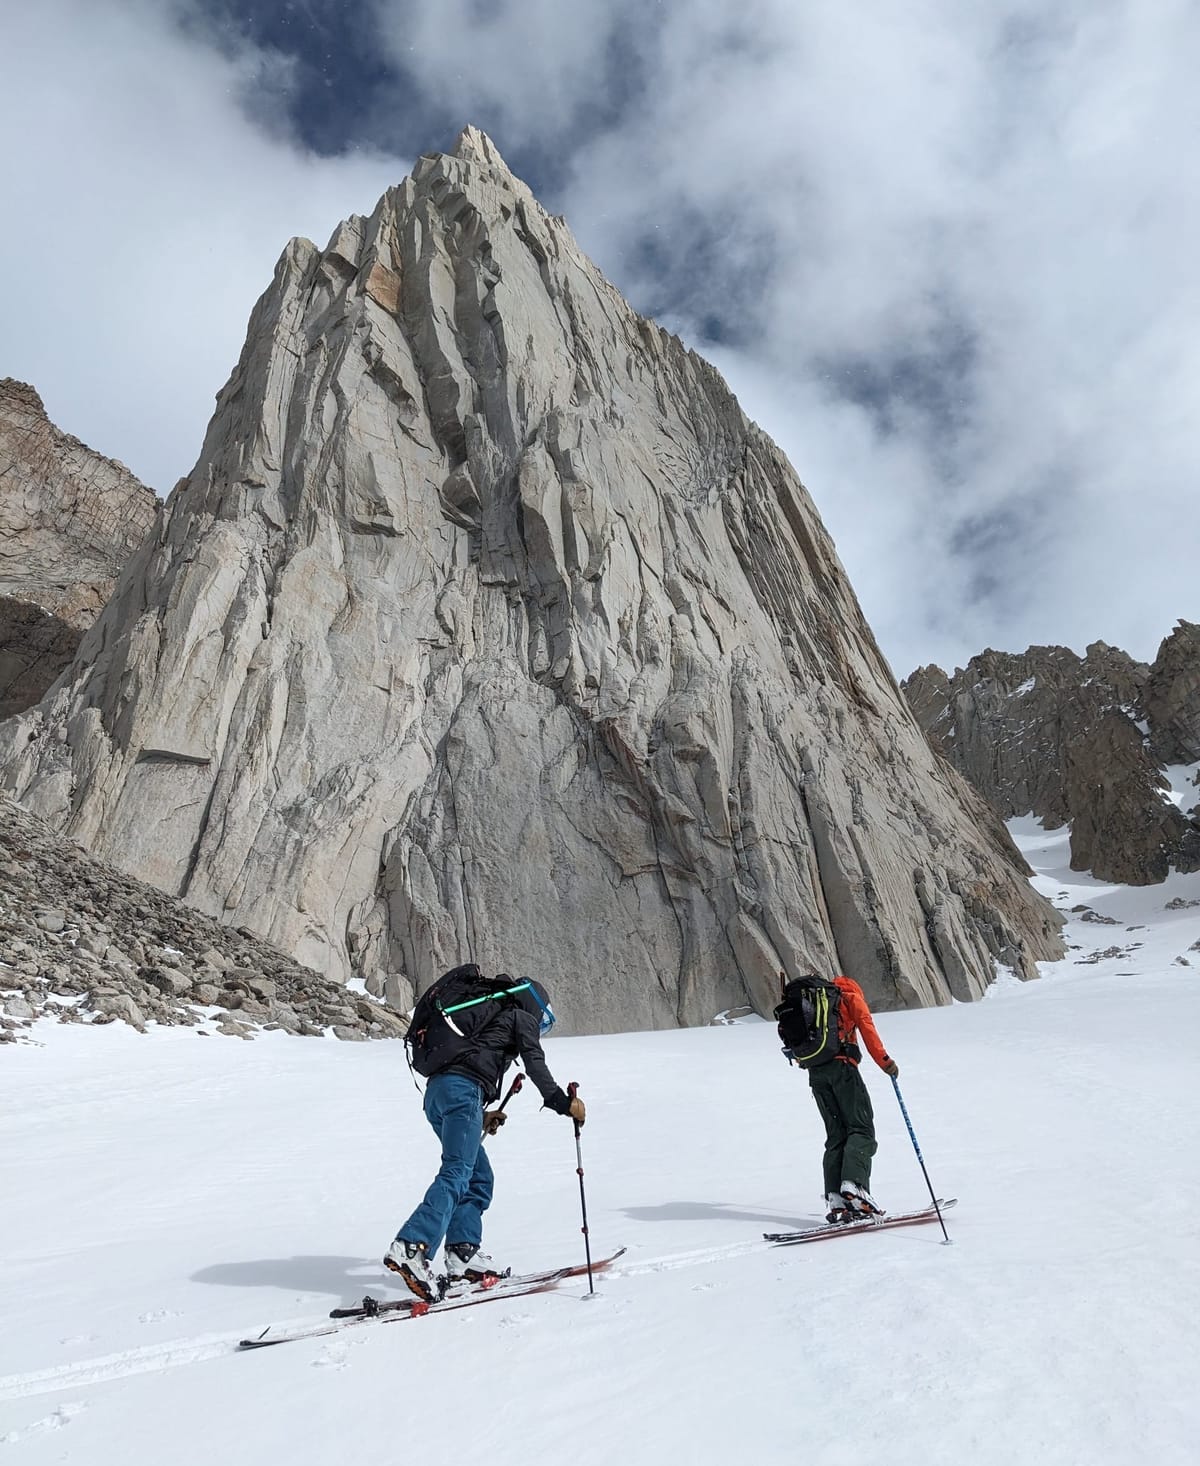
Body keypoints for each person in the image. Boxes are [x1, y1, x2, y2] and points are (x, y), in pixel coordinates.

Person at [384, 973, 585, 1301]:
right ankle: (411, 1247)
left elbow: (465, 1067)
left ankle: (463, 1255)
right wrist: (563, 1103)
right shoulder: (519, 1016)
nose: (540, 1026)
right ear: (534, 1005)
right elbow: (535, 1064)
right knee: (458, 1172)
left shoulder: (488, 1016)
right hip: (462, 1093)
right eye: (543, 1019)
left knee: (478, 1177)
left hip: (439, 1094)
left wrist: (482, 1114)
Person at [806, 974, 899, 1223]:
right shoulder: (849, 998)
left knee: (837, 1134)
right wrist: (886, 1063)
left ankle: (836, 1196)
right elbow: (867, 1028)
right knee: (861, 1129)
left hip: (817, 1075)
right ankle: (855, 1187)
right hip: (843, 1071)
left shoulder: (816, 1003)